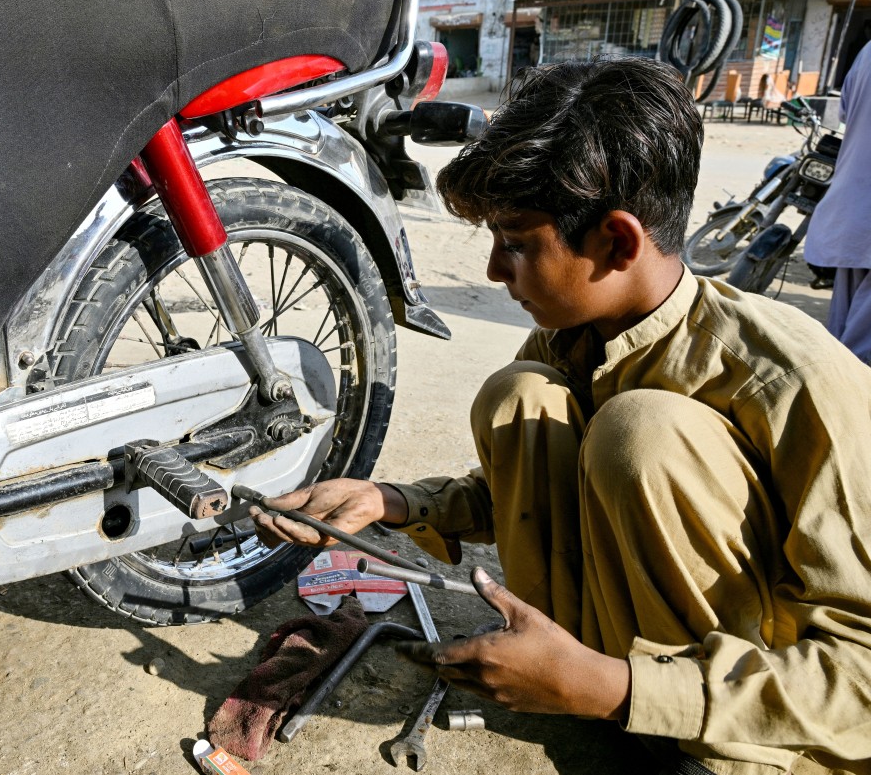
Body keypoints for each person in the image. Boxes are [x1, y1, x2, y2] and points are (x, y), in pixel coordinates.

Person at [251, 58, 871, 775]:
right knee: (520, 397)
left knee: (640, 433)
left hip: (750, 722)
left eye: (515, 242)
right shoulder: (575, 331)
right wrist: (388, 501)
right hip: (604, 674)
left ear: (617, 241)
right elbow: (527, 490)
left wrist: (616, 686)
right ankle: (569, 675)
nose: (491, 271)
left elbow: (859, 673)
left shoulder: (791, 378)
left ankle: (695, 746)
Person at [805, 41, 871, 364]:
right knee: (860, 356)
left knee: (841, 340)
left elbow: (843, 110)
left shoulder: (868, 51)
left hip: (852, 212)